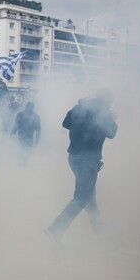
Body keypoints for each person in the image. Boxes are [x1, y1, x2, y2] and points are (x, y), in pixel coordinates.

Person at [45, 89, 118, 249]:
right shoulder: (103, 111)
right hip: (88, 160)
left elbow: (65, 124)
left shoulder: (81, 106)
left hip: (74, 156)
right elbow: (112, 133)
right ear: (105, 99)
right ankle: (56, 229)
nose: (111, 103)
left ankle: (99, 230)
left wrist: (78, 108)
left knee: (89, 195)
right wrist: (112, 119)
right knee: (82, 197)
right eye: (110, 100)